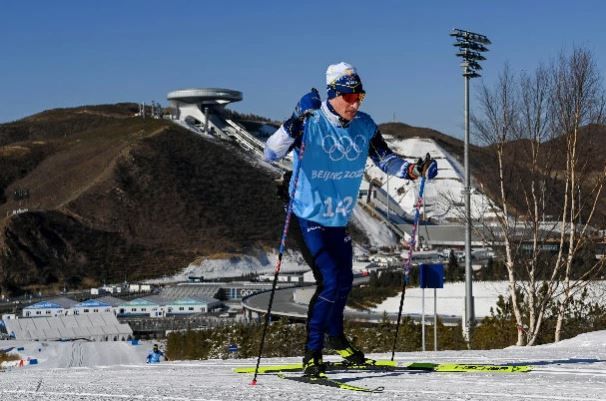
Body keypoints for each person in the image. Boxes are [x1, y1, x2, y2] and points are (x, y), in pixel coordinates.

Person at [264, 62, 438, 378]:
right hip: (306, 215)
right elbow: (270, 153)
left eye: (360, 96)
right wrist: (294, 118)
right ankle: (312, 355)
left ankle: (337, 340)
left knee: (343, 282)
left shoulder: (364, 125)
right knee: (329, 280)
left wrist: (415, 171)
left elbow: (385, 159)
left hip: (338, 218)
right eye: (348, 96)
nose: (355, 103)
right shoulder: (310, 122)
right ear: (333, 94)